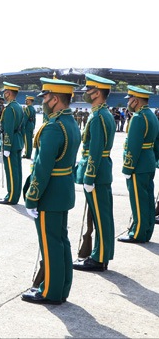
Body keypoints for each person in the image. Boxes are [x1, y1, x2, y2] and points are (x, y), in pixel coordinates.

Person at [22, 78, 80, 305]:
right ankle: (62, 287)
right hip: (63, 188)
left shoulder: (54, 126)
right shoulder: (69, 122)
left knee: (50, 244)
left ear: (55, 99)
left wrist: (32, 197)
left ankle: (50, 292)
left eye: (45, 97)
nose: (43, 101)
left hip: (50, 192)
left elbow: (42, 167)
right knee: (60, 240)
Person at [73, 74, 116, 272]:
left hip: (96, 173)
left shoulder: (98, 116)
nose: (86, 94)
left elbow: (96, 149)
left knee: (100, 217)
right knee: (101, 216)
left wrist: (89, 176)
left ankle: (99, 258)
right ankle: (100, 254)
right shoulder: (102, 113)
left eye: (89, 91)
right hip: (102, 170)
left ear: (97, 93)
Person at [118, 86, 159, 243]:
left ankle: (138, 233)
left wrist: (127, 167)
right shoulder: (152, 115)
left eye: (129, 100)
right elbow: (156, 143)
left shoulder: (138, 117)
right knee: (147, 199)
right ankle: (147, 231)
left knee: (138, 200)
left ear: (135, 101)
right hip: (148, 162)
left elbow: (133, 146)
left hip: (138, 164)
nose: (128, 102)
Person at [0, 82, 26, 205]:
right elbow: (22, 127)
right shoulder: (18, 106)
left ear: (8, 93)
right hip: (17, 141)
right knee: (17, 171)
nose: (4, 94)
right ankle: (15, 195)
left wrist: (6, 147)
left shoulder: (9, 109)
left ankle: (11, 197)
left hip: (11, 143)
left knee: (11, 172)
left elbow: (8, 129)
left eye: (5, 92)